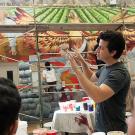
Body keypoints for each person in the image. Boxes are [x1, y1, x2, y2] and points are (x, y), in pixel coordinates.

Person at [68, 31, 131, 133]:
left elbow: (97, 96)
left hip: (113, 130)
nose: (96, 50)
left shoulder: (119, 73)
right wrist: (81, 61)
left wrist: (76, 70)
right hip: (102, 127)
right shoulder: (106, 67)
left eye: (101, 48)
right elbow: (91, 77)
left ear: (113, 52)